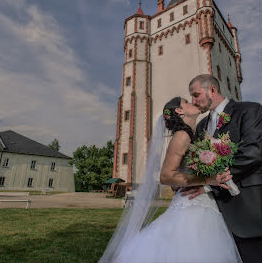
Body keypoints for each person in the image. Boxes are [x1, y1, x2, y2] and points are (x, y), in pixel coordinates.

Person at [99, 97, 242, 263]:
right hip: (191, 206)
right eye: (186, 102)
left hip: (199, 201)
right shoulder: (182, 136)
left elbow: (180, 173)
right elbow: (166, 176)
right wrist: (208, 179)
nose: (193, 103)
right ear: (179, 111)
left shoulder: (192, 135)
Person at [184, 74, 262, 263]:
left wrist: (209, 184)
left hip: (253, 212)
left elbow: (252, 154)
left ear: (212, 90)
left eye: (196, 95)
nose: (194, 101)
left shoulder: (249, 110)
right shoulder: (201, 126)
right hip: (217, 221)